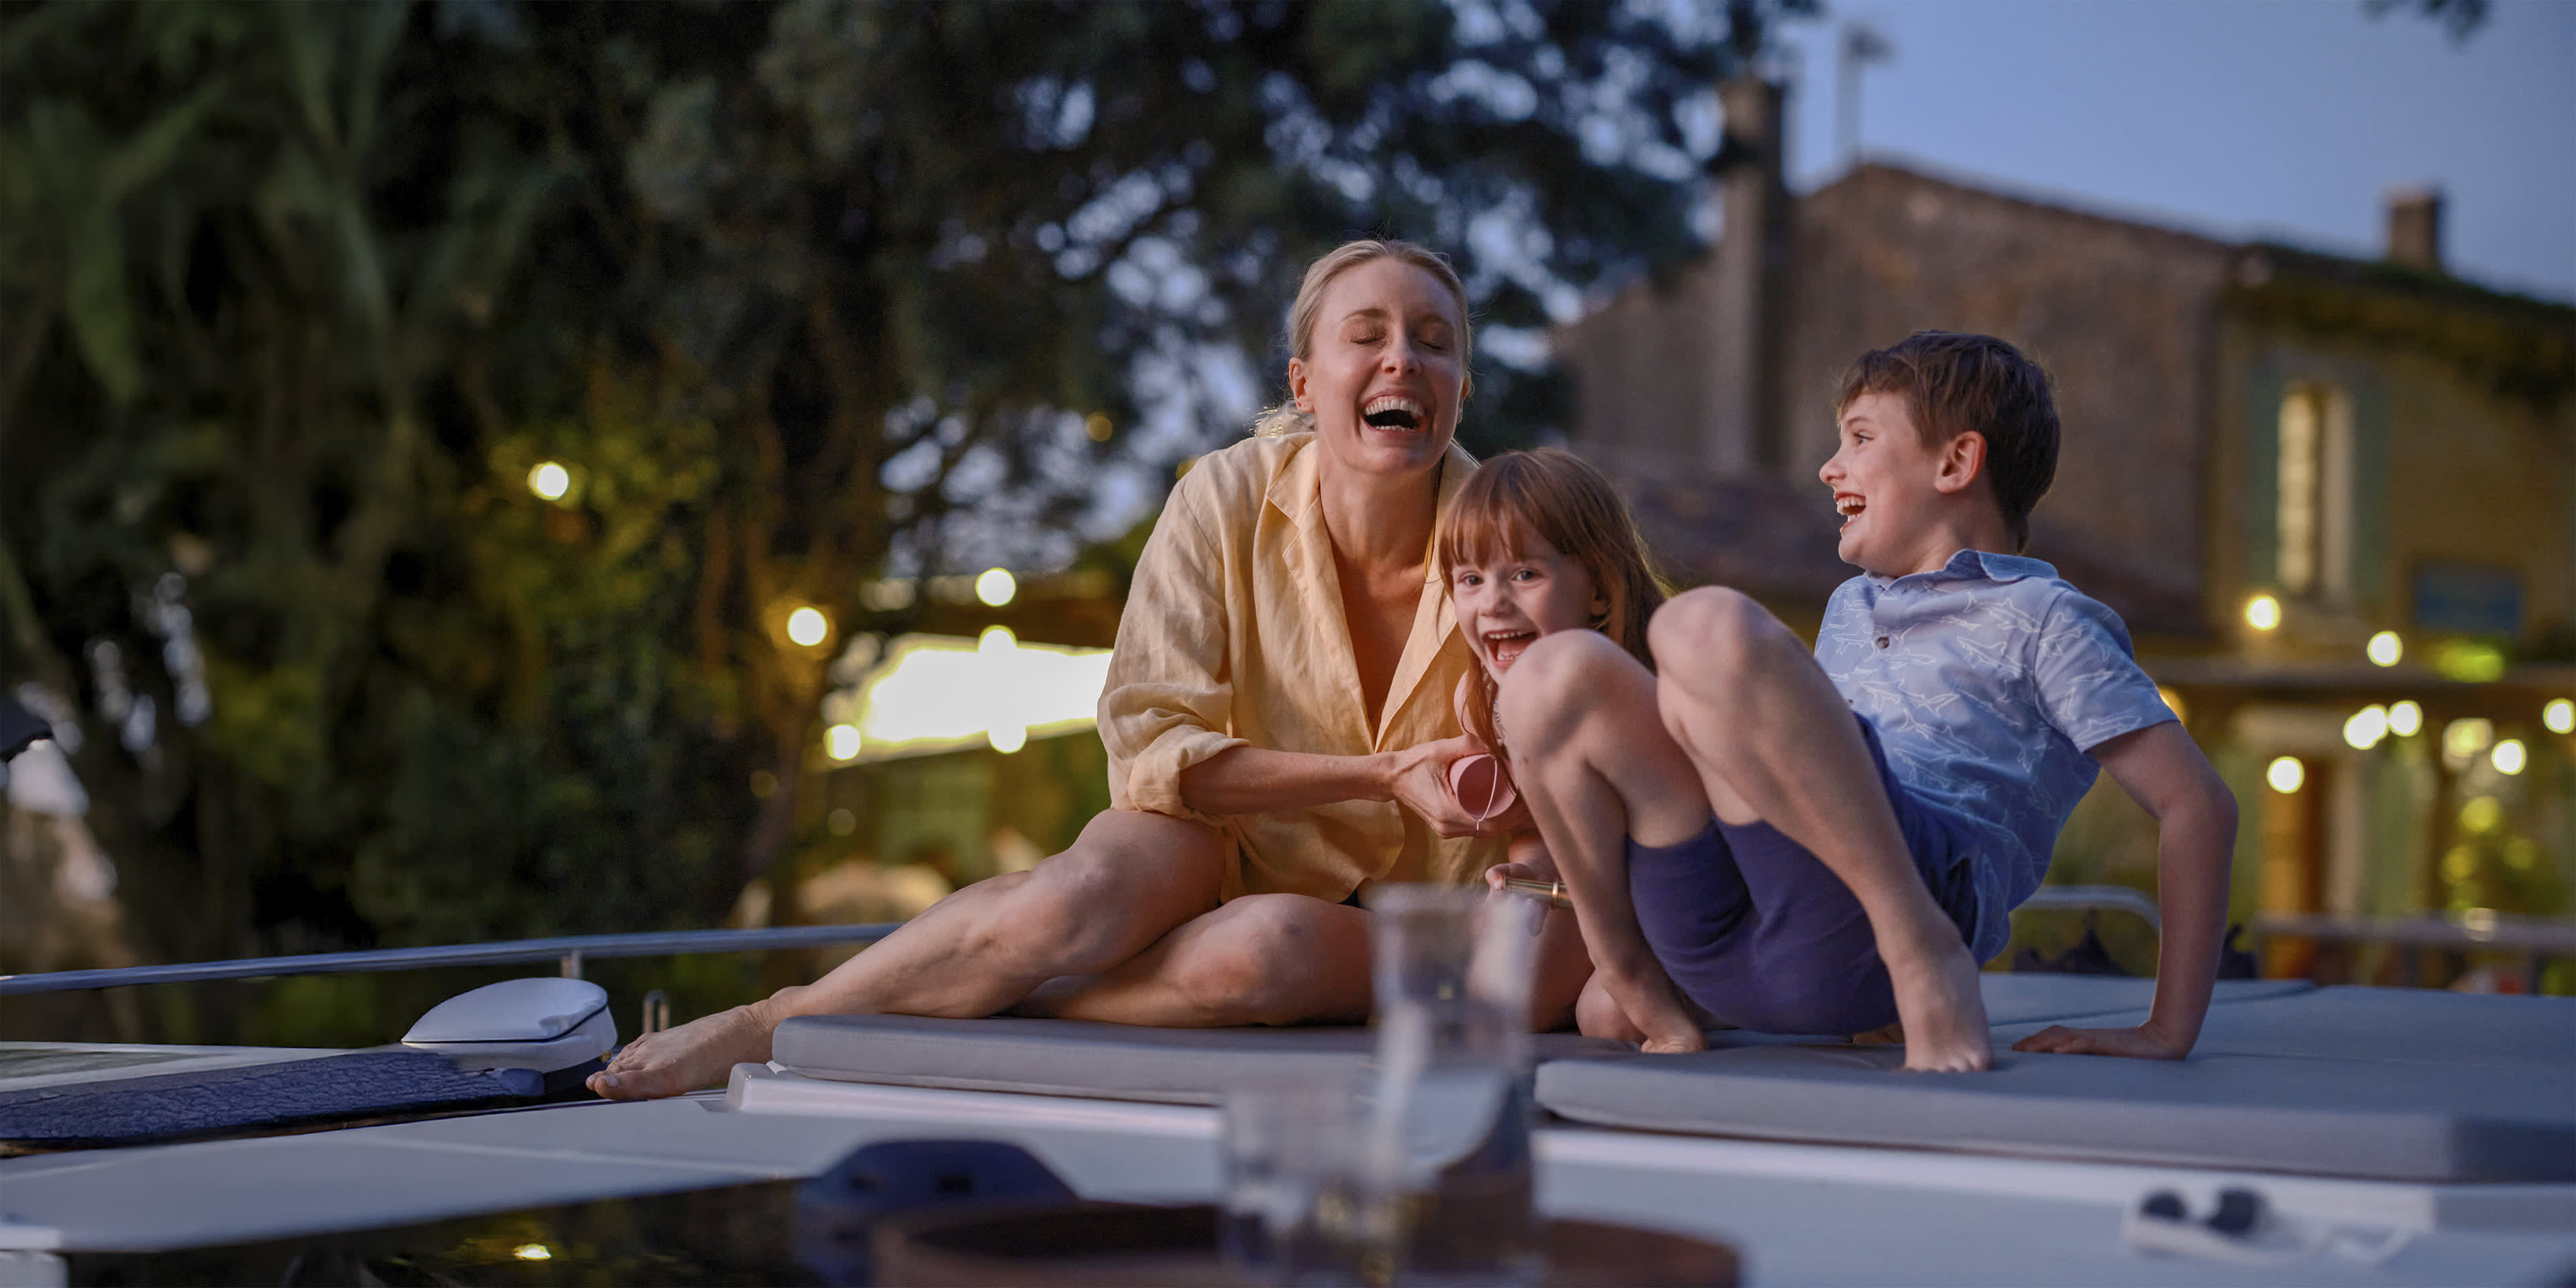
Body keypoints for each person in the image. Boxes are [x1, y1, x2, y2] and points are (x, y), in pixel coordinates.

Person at [591, 239, 1570, 1101]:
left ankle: (996, 1000)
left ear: (1460, 389)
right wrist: (1378, 776)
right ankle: (776, 1019)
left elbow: (1588, 717)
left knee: (1267, 952)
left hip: (1417, 907)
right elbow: (1153, 747)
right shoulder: (1221, 499)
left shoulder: (1519, 538)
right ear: (1306, 382)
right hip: (1211, 842)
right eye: (1368, 333)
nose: (1405, 354)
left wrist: (1535, 854)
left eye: (1435, 339)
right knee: (1072, 900)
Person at [1490, 331, 2237, 1071]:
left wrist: (2166, 1030)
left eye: (1858, 438)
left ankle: (1920, 950)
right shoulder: (1850, 608)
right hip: (1758, 939)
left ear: (1955, 463)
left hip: (1907, 903)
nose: (1828, 467)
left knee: (1699, 623)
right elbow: (1772, 769)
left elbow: (2198, 803)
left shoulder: (2043, 617)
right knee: (1555, 669)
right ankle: (1625, 966)